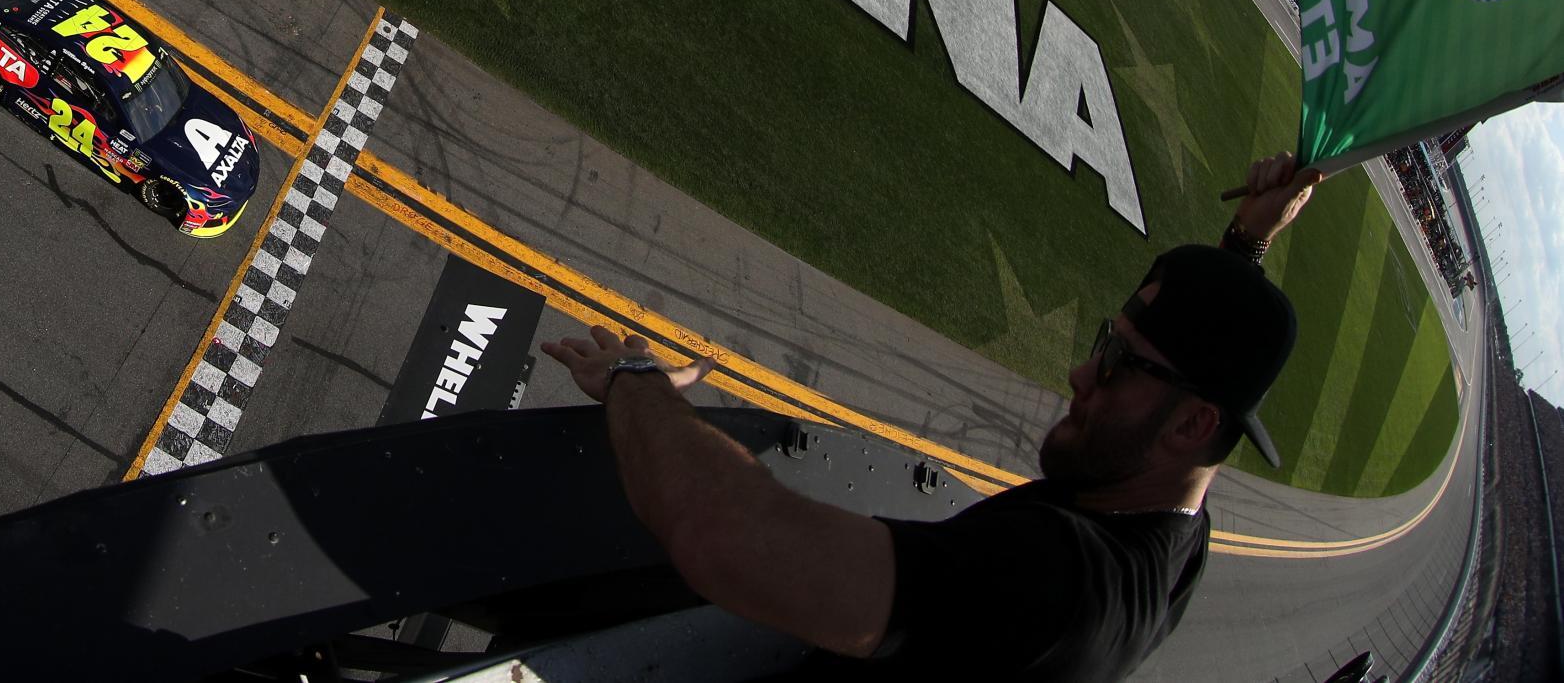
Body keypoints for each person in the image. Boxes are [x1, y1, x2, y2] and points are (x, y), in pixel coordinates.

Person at [540, 153, 1323, 681]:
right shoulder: (1179, 524)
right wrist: (1245, 242)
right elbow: (1201, 366)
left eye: (1119, 363)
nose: (1082, 372)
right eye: (1103, 343)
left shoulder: (1057, 582)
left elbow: (729, 536)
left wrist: (633, 379)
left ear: (1191, 425)